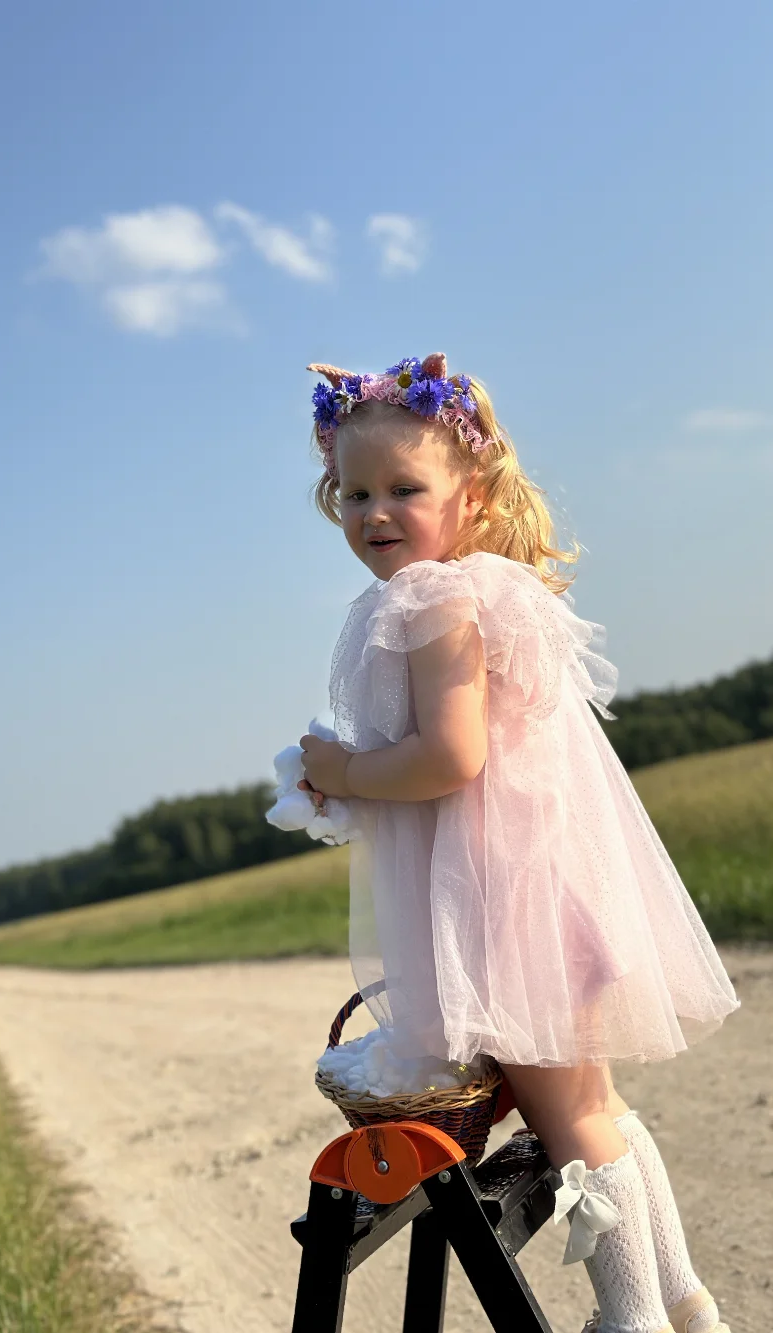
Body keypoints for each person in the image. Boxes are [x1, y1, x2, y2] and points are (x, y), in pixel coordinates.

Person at [297, 354, 739, 1333]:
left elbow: (451, 758)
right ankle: (684, 1302)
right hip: (553, 886)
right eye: (356, 492)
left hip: (508, 909)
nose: (376, 512)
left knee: (570, 1118)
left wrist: (345, 770)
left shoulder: (427, 601)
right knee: (596, 1107)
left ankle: (631, 1319)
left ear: (470, 492)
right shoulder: (484, 590)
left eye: (405, 489)